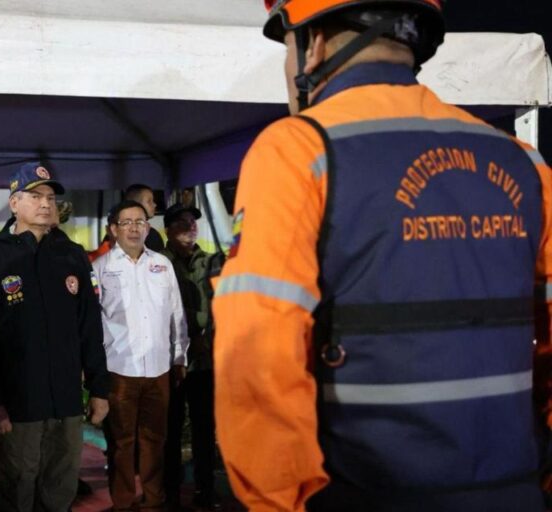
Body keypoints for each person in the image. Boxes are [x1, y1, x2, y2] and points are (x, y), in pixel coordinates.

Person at [213, 1, 552, 511]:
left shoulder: (299, 150)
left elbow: (259, 358)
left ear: (313, 46)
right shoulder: (522, 162)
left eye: (286, 48)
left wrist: (280, 502)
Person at [0, 162, 109, 512]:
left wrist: (99, 388)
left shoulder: (72, 255)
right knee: (18, 484)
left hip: (66, 400)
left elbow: (89, 326)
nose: (45, 203)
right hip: (18, 403)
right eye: (35, 196)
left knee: (61, 484)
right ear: (14, 203)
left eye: (50, 197)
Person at [92, 200, 189, 510]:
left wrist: (180, 357)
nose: (134, 228)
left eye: (140, 222)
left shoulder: (162, 264)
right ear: (113, 229)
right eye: (127, 222)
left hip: (159, 368)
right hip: (119, 369)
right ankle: (122, 502)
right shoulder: (100, 268)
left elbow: (177, 314)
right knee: (122, 443)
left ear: (148, 228)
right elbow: (93, 322)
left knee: (155, 440)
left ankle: (153, 500)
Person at [161, 203, 219, 510]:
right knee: (170, 428)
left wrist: (206, 339)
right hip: (170, 361)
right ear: (168, 230)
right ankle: (170, 491)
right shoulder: (158, 263)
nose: (190, 227)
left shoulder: (211, 262)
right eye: (182, 222)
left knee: (204, 427)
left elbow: (221, 303)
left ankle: (205, 489)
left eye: (193, 222)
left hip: (204, 359)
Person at [124, 184, 165, 252]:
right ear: (135, 204)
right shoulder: (118, 234)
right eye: (149, 201)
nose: (155, 205)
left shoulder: (152, 234)